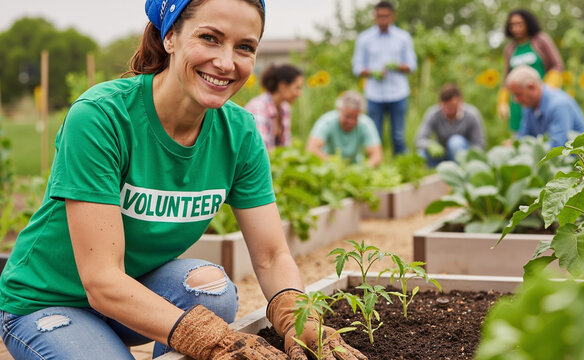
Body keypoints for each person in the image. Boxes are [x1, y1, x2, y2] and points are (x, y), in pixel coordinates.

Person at [0, 1, 366, 359]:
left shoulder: (238, 133)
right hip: (47, 301)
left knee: (212, 291)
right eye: (209, 38)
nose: (226, 62)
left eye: (244, 47)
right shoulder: (101, 118)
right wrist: (212, 341)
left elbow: (271, 256)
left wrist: (297, 318)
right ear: (170, 37)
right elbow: (101, 281)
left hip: (131, 293)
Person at [352, 1, 417, 155]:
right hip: (374, 94)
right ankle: (377, 167)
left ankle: (402, 168)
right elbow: (357, 67)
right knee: (374, 136)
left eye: (386, 16)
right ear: (375, 17)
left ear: (392, 16)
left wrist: (396, 66)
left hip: (398, 93)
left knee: (398, 136)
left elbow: (412, 65)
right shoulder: (364, 38)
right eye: (380, 16)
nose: (383, 20)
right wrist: (372, 72)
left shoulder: (403, 37)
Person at [498, 8, 564, 133]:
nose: (516, 28)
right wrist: (502, 101)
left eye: (519, 24)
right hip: (518, 101)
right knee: (521, 135)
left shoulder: (541, 40)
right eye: (512, 25)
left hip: (539, 97)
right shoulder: (510, 49)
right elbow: (506, 78)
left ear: (528, 24)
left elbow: (557, 65)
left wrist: (549, 87)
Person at [506, 65, 584, 148]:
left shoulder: (558, 105)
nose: (515, 100)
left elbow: (557, 147)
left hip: (583, 159)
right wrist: (514, 145)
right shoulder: (529, 107)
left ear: (532, 87)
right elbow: (524, 138)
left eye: (518, 94)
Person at [306, 90, 383, 167]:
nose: (351, 122)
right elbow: (311, 148)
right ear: (339, 110)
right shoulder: (327, 121)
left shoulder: (365, 124)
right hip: (328, 167)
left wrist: (362, 169)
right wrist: (334, 164)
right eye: (348, 116)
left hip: (355, 167)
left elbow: (377, 156)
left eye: (355, 117)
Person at [415, 84, 486, 166]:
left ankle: (460, 171)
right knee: (421, 154)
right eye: (445, 106)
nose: (449, 110)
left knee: (455, 142)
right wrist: (429, 145)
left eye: (452, 106)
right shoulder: (433, 113)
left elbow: (480, 144)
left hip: (463, 156)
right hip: (441, 155)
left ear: (461, 101)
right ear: (439, 103)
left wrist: (470, 157)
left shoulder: (472, 114)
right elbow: (419, 139)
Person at [245, 63, 304, 151]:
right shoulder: (259, 107)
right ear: (283, 86)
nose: (299, 94)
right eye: (297, 88)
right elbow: (260, 150)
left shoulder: (285, 108)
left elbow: (286, 147)